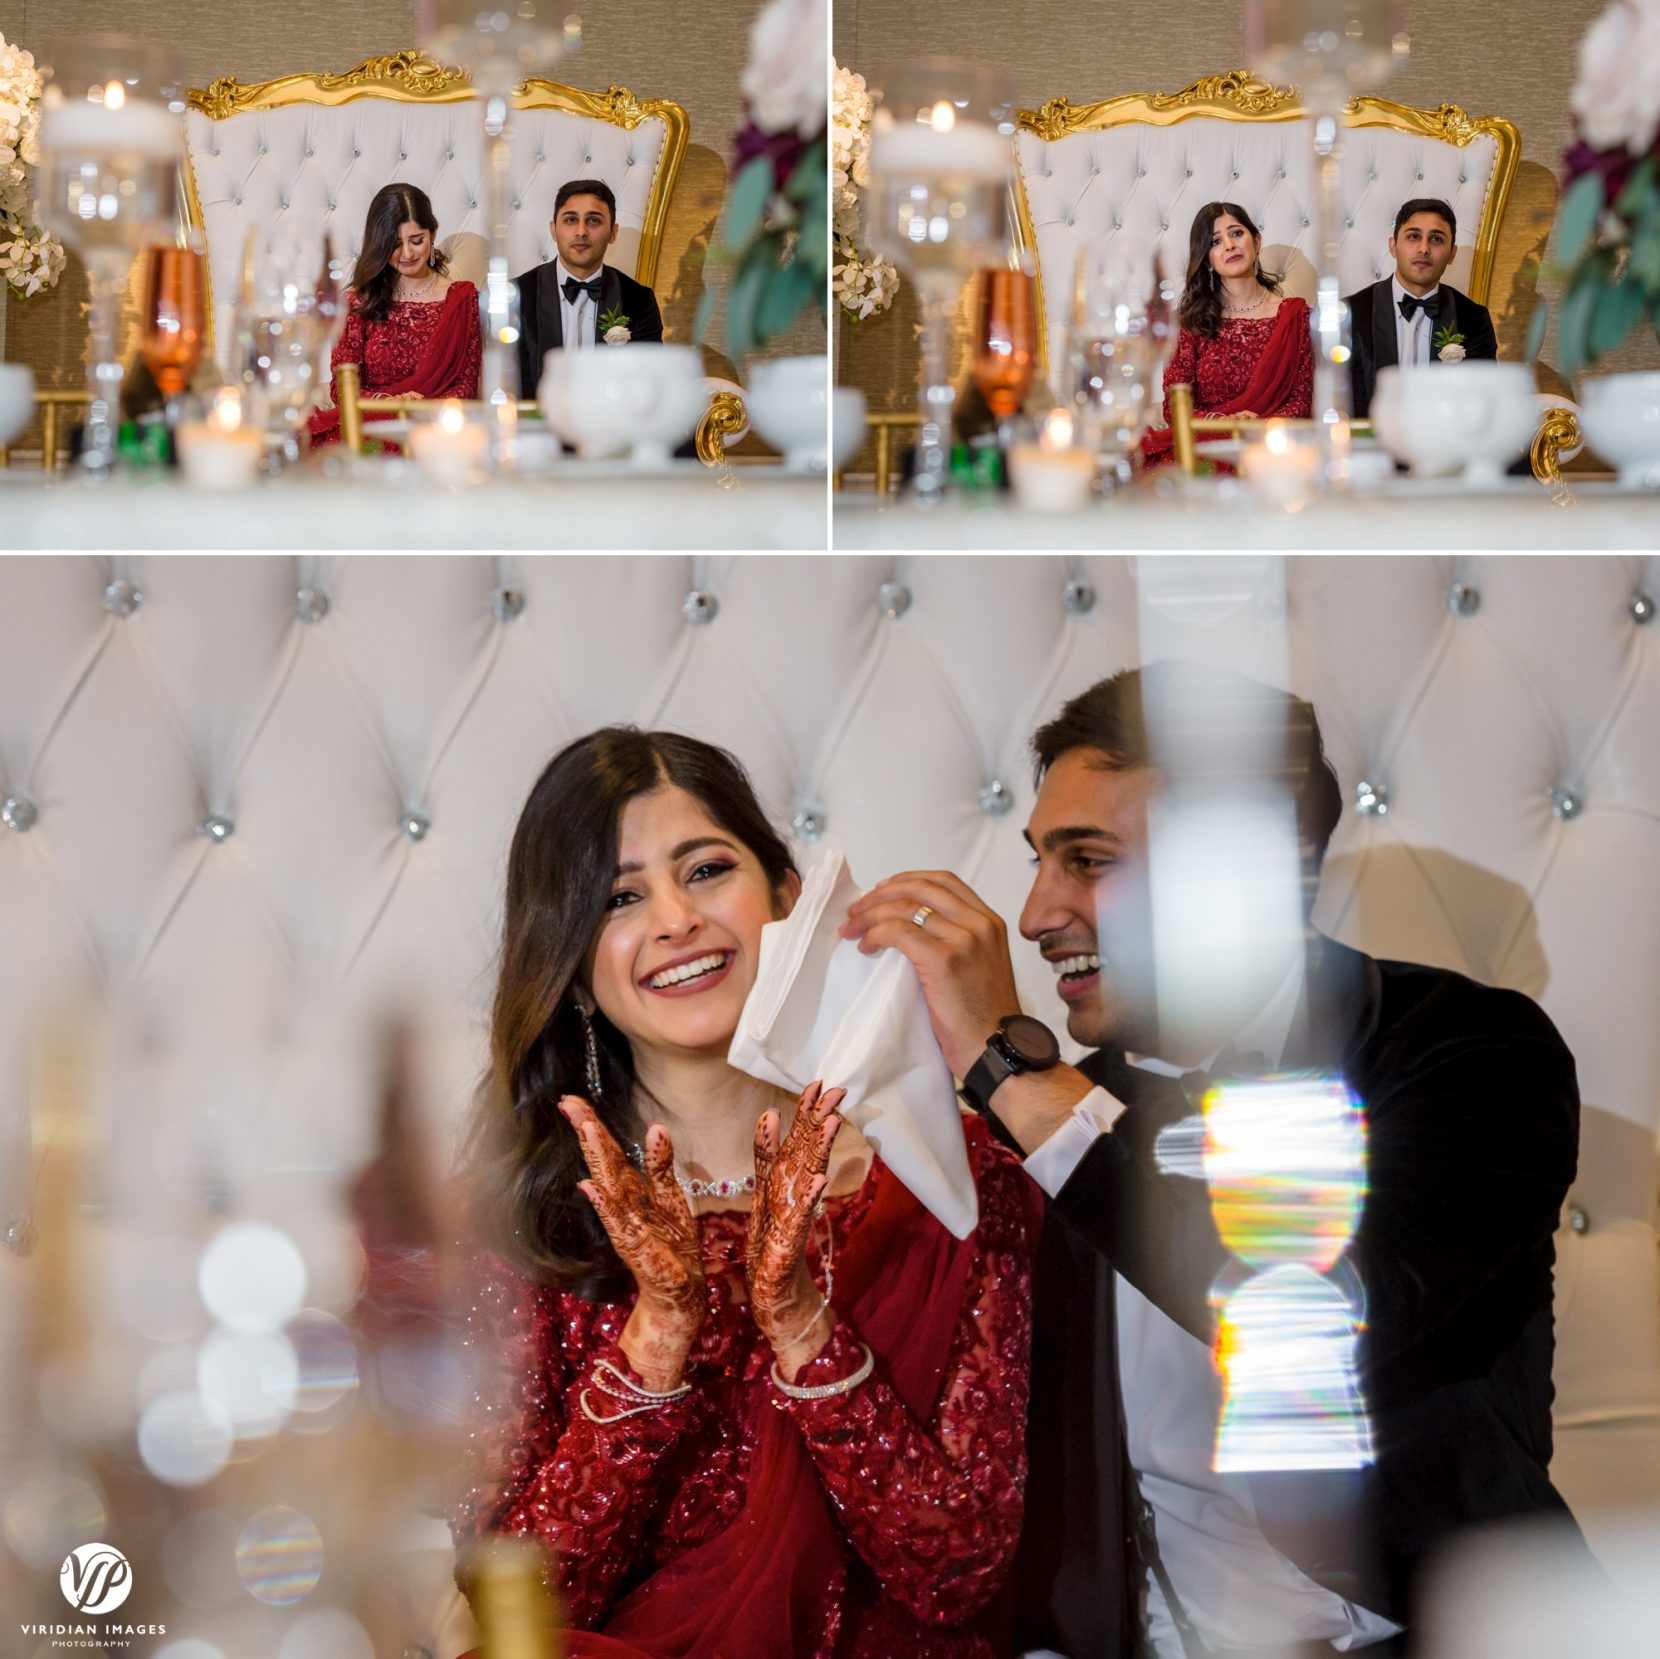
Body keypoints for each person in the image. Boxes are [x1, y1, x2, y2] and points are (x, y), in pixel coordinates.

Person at [842, 661, 1585, 1658]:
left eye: (1088, 860)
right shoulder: (1043, 1120)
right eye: (1039, 860)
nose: (1033, 914)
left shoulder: (1464, 1051)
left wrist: (1010, 1068)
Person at [450, 727, 1038, 1658]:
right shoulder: (520, 1226)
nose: (676, 919)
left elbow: (957, 1569)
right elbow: (514, 1606)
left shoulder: (949, 1178)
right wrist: (659, 1332)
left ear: (788, 900)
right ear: (572, 968)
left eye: (707, 868)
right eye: (619, 897)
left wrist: (804, 1328)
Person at [309, 182, 481, 447]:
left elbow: (465, 386)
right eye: (395, 244)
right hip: (371, 429)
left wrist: (422, 409)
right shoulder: (359, 301)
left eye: (417, 241)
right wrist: (389, 404)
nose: (408, 254)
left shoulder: (461, 299)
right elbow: (341, 389)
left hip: (436, 430)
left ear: (432, 234)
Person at [1143, 202, 1313, 466]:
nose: (1229, 245)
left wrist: (1258, 426)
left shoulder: (1297, 317)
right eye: (1215, 241)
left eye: (1236, 233)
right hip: (1207, 447)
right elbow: (1174, 408)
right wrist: (1225, 423)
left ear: (1256, 243)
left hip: (1273, 447)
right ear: (1207, 258)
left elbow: (1301, 402)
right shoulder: (1191, 323)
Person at [1344, 198, 1499, 419]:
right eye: (1413, 236)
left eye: (1436, 239)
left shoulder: (1473, 318)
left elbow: (1482, 399)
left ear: (1452, 253)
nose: (1424, 248)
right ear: (1393, 246)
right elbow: (1344, 404)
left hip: (1444, 445)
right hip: (1372, 446)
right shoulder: (1350, 314)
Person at [514, 178, 666, 398]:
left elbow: (647, 381)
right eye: (570, 220)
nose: (581, 231)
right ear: (553, 229)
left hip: (610, 426)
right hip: (537, 426)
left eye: (594, 221)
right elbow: (511, 384)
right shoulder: (517, 295)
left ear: (613, 233)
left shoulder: (638, 300)